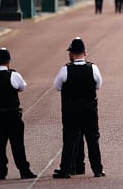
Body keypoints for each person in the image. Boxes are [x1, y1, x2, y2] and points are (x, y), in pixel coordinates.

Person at [53, 37, 105, 178]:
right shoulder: (93, 68)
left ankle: (66, 169)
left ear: (71, 54)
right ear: (85, 53)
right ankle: (97, 169)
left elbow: (57, 86)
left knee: (70, 139)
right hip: (89, 109)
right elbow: (98, 85)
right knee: (93, 139)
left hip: (71, 110)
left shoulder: (65, 70)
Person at [0, 48, 37, 180]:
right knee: (17, 143)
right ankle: (24, 170)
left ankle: (1, 171)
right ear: (8, 62)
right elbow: (22, 87)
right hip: (11, 115)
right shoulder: (13, 75)